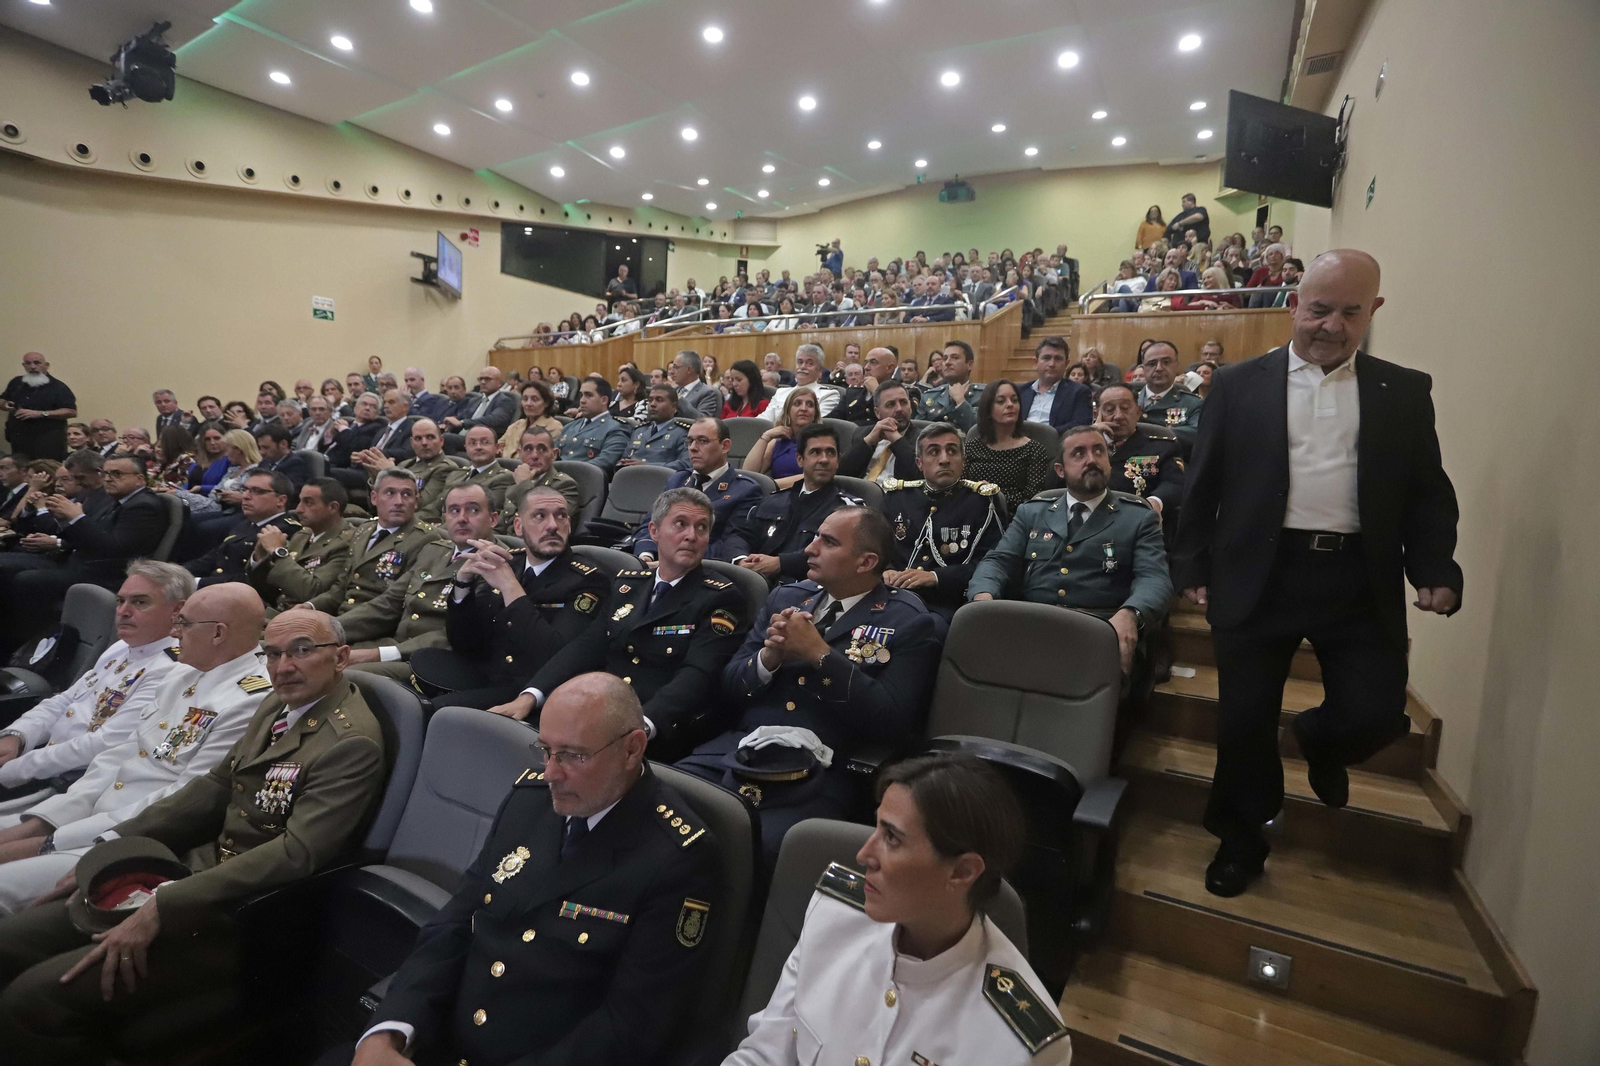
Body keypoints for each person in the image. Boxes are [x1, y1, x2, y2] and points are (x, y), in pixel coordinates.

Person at [1173, 249, 1463, 898]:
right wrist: (1190, 564)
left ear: (1374, 312)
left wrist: (1435, 566)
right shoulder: (1238, 385)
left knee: (1378, 710)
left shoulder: (1404, 392)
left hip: (1359, 580)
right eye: (1319, 308)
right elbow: (1205, 482)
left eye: (1350, 312)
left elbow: (1425, 492)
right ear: (1294, 305)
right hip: (1259, 576)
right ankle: (1241, 841)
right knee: (1244, 724)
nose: (1331, 324)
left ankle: (1320, 741)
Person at [0, 604, 385, 1062]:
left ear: (340, 658)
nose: (283, 667)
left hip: (240, 914)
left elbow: (297, 853)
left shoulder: (350, 742)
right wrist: (107, 851)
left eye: (302, 651)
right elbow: (214, 785)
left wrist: (167, 902)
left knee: (33, 1002)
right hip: (187, 873)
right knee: (10, 941)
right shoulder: (278, 702)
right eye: (273, 653)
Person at [347, 673, 718, 1066]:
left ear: (632, 749)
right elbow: (455, 923)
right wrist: (390, 1028)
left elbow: (631, 1027)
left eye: (574, 755)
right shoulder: (530, 801)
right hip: (441, 1041)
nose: (551, 773)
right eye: (545, 750)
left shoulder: (677, 857)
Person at [723, 751, 1070, 1066]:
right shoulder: (833, 915)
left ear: (962, 871)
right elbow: (764, 1055)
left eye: (892, 838)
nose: (863, 855)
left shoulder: (1023, 1043)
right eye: (876, 827)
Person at [679, 508, 944, 865]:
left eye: (828, 542)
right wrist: (768, 659)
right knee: (660, 809)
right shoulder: (787, 598)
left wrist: (819, 654)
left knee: (755, 851)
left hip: (821, 770)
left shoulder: (908, 620)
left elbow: (890, 719)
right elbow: (729, 686)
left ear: (865, 562)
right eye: (816, 536)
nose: (810, 548)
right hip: (740, 749)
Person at [508, 488, 750, 759]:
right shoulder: (628, 585)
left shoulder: (721, 598)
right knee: (511, 739)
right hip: (601, 713)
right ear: (654, 532)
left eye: (701, 527)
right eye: (681, 524)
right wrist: (532, 694)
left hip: (660, 728)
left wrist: (640, 726)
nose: (691, 536)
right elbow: (586, 647)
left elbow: (698, 677)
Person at [969, 425, 1171, 684]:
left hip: (1099, 629)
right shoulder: (1033, 512)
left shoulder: (1138, 517)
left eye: (1099, 451)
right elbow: (998, 561)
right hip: (1033, 625)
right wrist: (984, 596)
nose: (1091, 460)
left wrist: (1131, 612)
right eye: (1079, 453)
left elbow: (1155, 579)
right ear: (1060, 470)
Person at [0, 562, 187, 813]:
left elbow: (104, 745)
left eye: (140, 602)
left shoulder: (170, 668)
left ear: (177, 611)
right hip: (41, 762)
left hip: (73, 784)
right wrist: (17, 736)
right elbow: (64, 700)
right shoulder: (122, 647)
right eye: (120, 601)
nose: (123, 611)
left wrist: (14, 769)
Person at [409, 486, 611, 706]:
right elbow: (465, 643)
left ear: (569, 525)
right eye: (540, 516)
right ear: (518, 526)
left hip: (528, 690)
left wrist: (510, 587)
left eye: (561, 516)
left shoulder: (588, 579)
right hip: (481, 675)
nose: (553, 525)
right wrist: (462, 584)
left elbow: (555, 655)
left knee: (434, 713)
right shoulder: (508, 563)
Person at [0, 454, 168, 653]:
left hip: (108, 573)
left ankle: (29, 650)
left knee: (27, 580)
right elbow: (89, 538)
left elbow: (114, 548)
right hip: (80, 560)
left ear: (139, 479)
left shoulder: (143, 506)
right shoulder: (116, 500)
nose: (108, 478)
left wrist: (76, 517)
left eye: (117, 474)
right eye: (106, 473)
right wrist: (67, 522)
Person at [335, 482, 499, 680]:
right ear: (444, 517)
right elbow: (387, 604)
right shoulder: (434, 550)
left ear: (493, 519)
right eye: (454, 511)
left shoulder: (499, 563)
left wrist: (380, 654)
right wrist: (327, 630)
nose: (462, 519)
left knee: (338, 673)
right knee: (313, 656)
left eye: (473, 510)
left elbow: (460, 635)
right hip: (397, 647)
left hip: (439, 661)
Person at [881, 424, 1006, 618]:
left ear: (963, 461)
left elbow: (992, 563)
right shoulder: (897, 497)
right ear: (919, 463)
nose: (944, 460)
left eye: (952, 451)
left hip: (945, 606)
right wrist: (886, 570)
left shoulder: (981, 502)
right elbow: (878, 549)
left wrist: (935, 577)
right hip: (891, 597)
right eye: (934, 452)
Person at [727, 424, 863, 585]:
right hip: (755, 583)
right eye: (815, 452)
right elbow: (739, 534)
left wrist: (780, 563)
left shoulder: (847, 510)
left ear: (838, 460)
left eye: (830, 453)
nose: (824, 459)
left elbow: (838, 554)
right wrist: (741, 561)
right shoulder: (774, 500)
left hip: (806, 591)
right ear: (800, 459)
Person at [308, 467, 441, 616]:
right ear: (374, 498)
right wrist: (310, 607)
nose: (398, 502)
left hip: (374, 626)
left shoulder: (425, 539)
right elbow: (341, 587)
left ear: (416, 501)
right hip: (340, 617)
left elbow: (394, 604)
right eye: (390, 493)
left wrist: (333, 626)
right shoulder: (363, 531)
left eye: (406, 494)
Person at [630, 418, 764, 563]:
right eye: (690, 441)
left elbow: (729, 544)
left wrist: (668, 560)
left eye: (702, 441)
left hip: (701, 568)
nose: (693, 447)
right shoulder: (678, 479)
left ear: (725, 446)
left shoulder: (745, 490)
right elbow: (652, 522)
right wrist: (646, 555)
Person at [249, 477, 354, 613]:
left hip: (307, 618)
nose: (298, 509)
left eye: (308, 503)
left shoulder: (347, 542)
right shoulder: (302, 536)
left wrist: (277, 552)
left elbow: (311, 591)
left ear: (332, 507)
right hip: (277, 611)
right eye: (300, 501)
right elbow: (267, 588)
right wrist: (260, 557)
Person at [182, 470, 301, 587]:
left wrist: (195, 583)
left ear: (281, 500)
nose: (245, 496)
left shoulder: (284, 531)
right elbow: (211, 559)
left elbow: (253, 579)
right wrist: (175, 573)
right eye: (245, 490)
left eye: (257, 491)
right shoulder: (247, 524)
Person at [1093, 384, 1187, 521]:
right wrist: (1090, 435)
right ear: (1097, 415)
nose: (1118, 416)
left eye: (1125, 408)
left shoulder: (1161, 446)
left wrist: (1155, 502)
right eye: (1109, 409)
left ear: (1138, 412)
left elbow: (1175, 483)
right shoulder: (1082, 446)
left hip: (1139, 520)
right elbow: (1056, 482)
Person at [961, 380, 1054, 511]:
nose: (1010, 405)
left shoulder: (1034, 449)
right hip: (972, 514)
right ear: (988, 408)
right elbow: (960, 488)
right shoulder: (972, 446)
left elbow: (1033, 500)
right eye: (1000, 401)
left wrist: (994, 494)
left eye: (1015, 400)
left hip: (1014, 518)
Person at [359, 418, 454, 522]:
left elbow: (418, 504)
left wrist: (391, 473)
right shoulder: (405, 464)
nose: (424, 443)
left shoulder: (445, 468)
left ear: (441, 441)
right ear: (412, 442)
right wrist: (376, 476)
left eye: (430, 437)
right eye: (418, 438)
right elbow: (375, 505)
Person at [839, 381, 918, 485]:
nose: (899, 409)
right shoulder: (863, 433)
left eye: (903, 402)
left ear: (910, 407)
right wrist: (868, 442)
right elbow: (841, 473)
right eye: (891, 404)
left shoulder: (923, 438)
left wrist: (897, 441)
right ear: (877, 412)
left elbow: (918, 475)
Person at [1, 353, 76, 461]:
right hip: (19, 441)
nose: (32, 367)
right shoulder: (16, 383)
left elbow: (71, 411)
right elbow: (3, 400)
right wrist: (6, 405)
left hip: (47, 443)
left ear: (46, 365)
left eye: (37, 363)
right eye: (28, 363)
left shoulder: (58, 387)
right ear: (24, 365)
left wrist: (39, 414)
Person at [1016, 336, 1094, 433]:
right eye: (1046, 358)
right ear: (1036, 362)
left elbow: (1081, 426)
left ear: (1066, 363)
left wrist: (1043, 435)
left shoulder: (1079, 392)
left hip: (1055, 445)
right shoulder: (1021, 391)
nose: (1052, 364)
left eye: (1058, 359)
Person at [743, 388, 819, 488]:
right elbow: (748, 474)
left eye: (810, 404)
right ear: (788, 411)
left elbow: (814, 477)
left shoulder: (821, 441)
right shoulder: (778, 442)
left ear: (815, 414)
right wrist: (766, 436)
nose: (803, 408)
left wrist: (771, 485)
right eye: (797, 403)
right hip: (776, 497)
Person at [556, 378, 630, 475]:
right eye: (581, 395)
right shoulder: (569, 426)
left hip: (586, 481)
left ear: (604, 400)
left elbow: (605, 461)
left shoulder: (617, 427)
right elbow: (551, 455)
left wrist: (565, 472)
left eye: (589, 395)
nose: (582, 400)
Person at [1136, 341, 1205, 436]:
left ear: (1176, 365)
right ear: (1143, 369)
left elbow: (1196, 435)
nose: (1159, 368)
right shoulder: (1128, 402)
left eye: (1166, 362)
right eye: (1152, 363)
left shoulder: (1194, 404)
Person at [442, 425, 516, 513]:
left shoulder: (503, 478)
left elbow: (485, 515)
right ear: (466, 448)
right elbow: (438, 507)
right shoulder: (455, 474)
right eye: (472, 443)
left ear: (497, 448)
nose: (478, 447)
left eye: (485, 442)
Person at [617, 385, 691, 470]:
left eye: (659, 400)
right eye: (650, 400)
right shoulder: (639, 430)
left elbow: (685, 464)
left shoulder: (683, 433)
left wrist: (646, 466)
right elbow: (625, 458)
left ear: (673, 406)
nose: (652, 404)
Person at [915, 341, 983, 429]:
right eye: (944, 358)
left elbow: (982, 430)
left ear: (969, 364)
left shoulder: (984, 395)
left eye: (955, 358)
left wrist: (961, 401)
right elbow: (917, 432)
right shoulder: (929, 396)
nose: (947, 362)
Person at [766, 345, 841, 418]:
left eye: (809, 363)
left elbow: (816, 424)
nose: (802, 367)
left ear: (819, 370)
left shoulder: (829, 395)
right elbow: (763, 420)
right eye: (800, 362)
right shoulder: (780, 393)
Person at [446, 366, 520, 438]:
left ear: (499, 383)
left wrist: (462, 423)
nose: (483, 382)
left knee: (446, 439)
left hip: (482, 439)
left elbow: (493, 420)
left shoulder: (505, 401)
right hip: (463, 436)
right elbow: (463, 417)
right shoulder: (475, 400)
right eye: (481, 379)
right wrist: (449, 423)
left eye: (487, 379)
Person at [498, 379, 562, 457]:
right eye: (525, 399)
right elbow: (498, 447)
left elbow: (540, 459)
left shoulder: (554, 427)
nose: (528, 404)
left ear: (546, 403)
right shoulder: (516, 424)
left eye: (534, 399)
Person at [668, 350, 724, 418]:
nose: (672, 372)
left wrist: (679, 400)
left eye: (676, 367)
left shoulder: (708, 393)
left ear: (688, 369)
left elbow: (702, 420)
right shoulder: (673, 390)